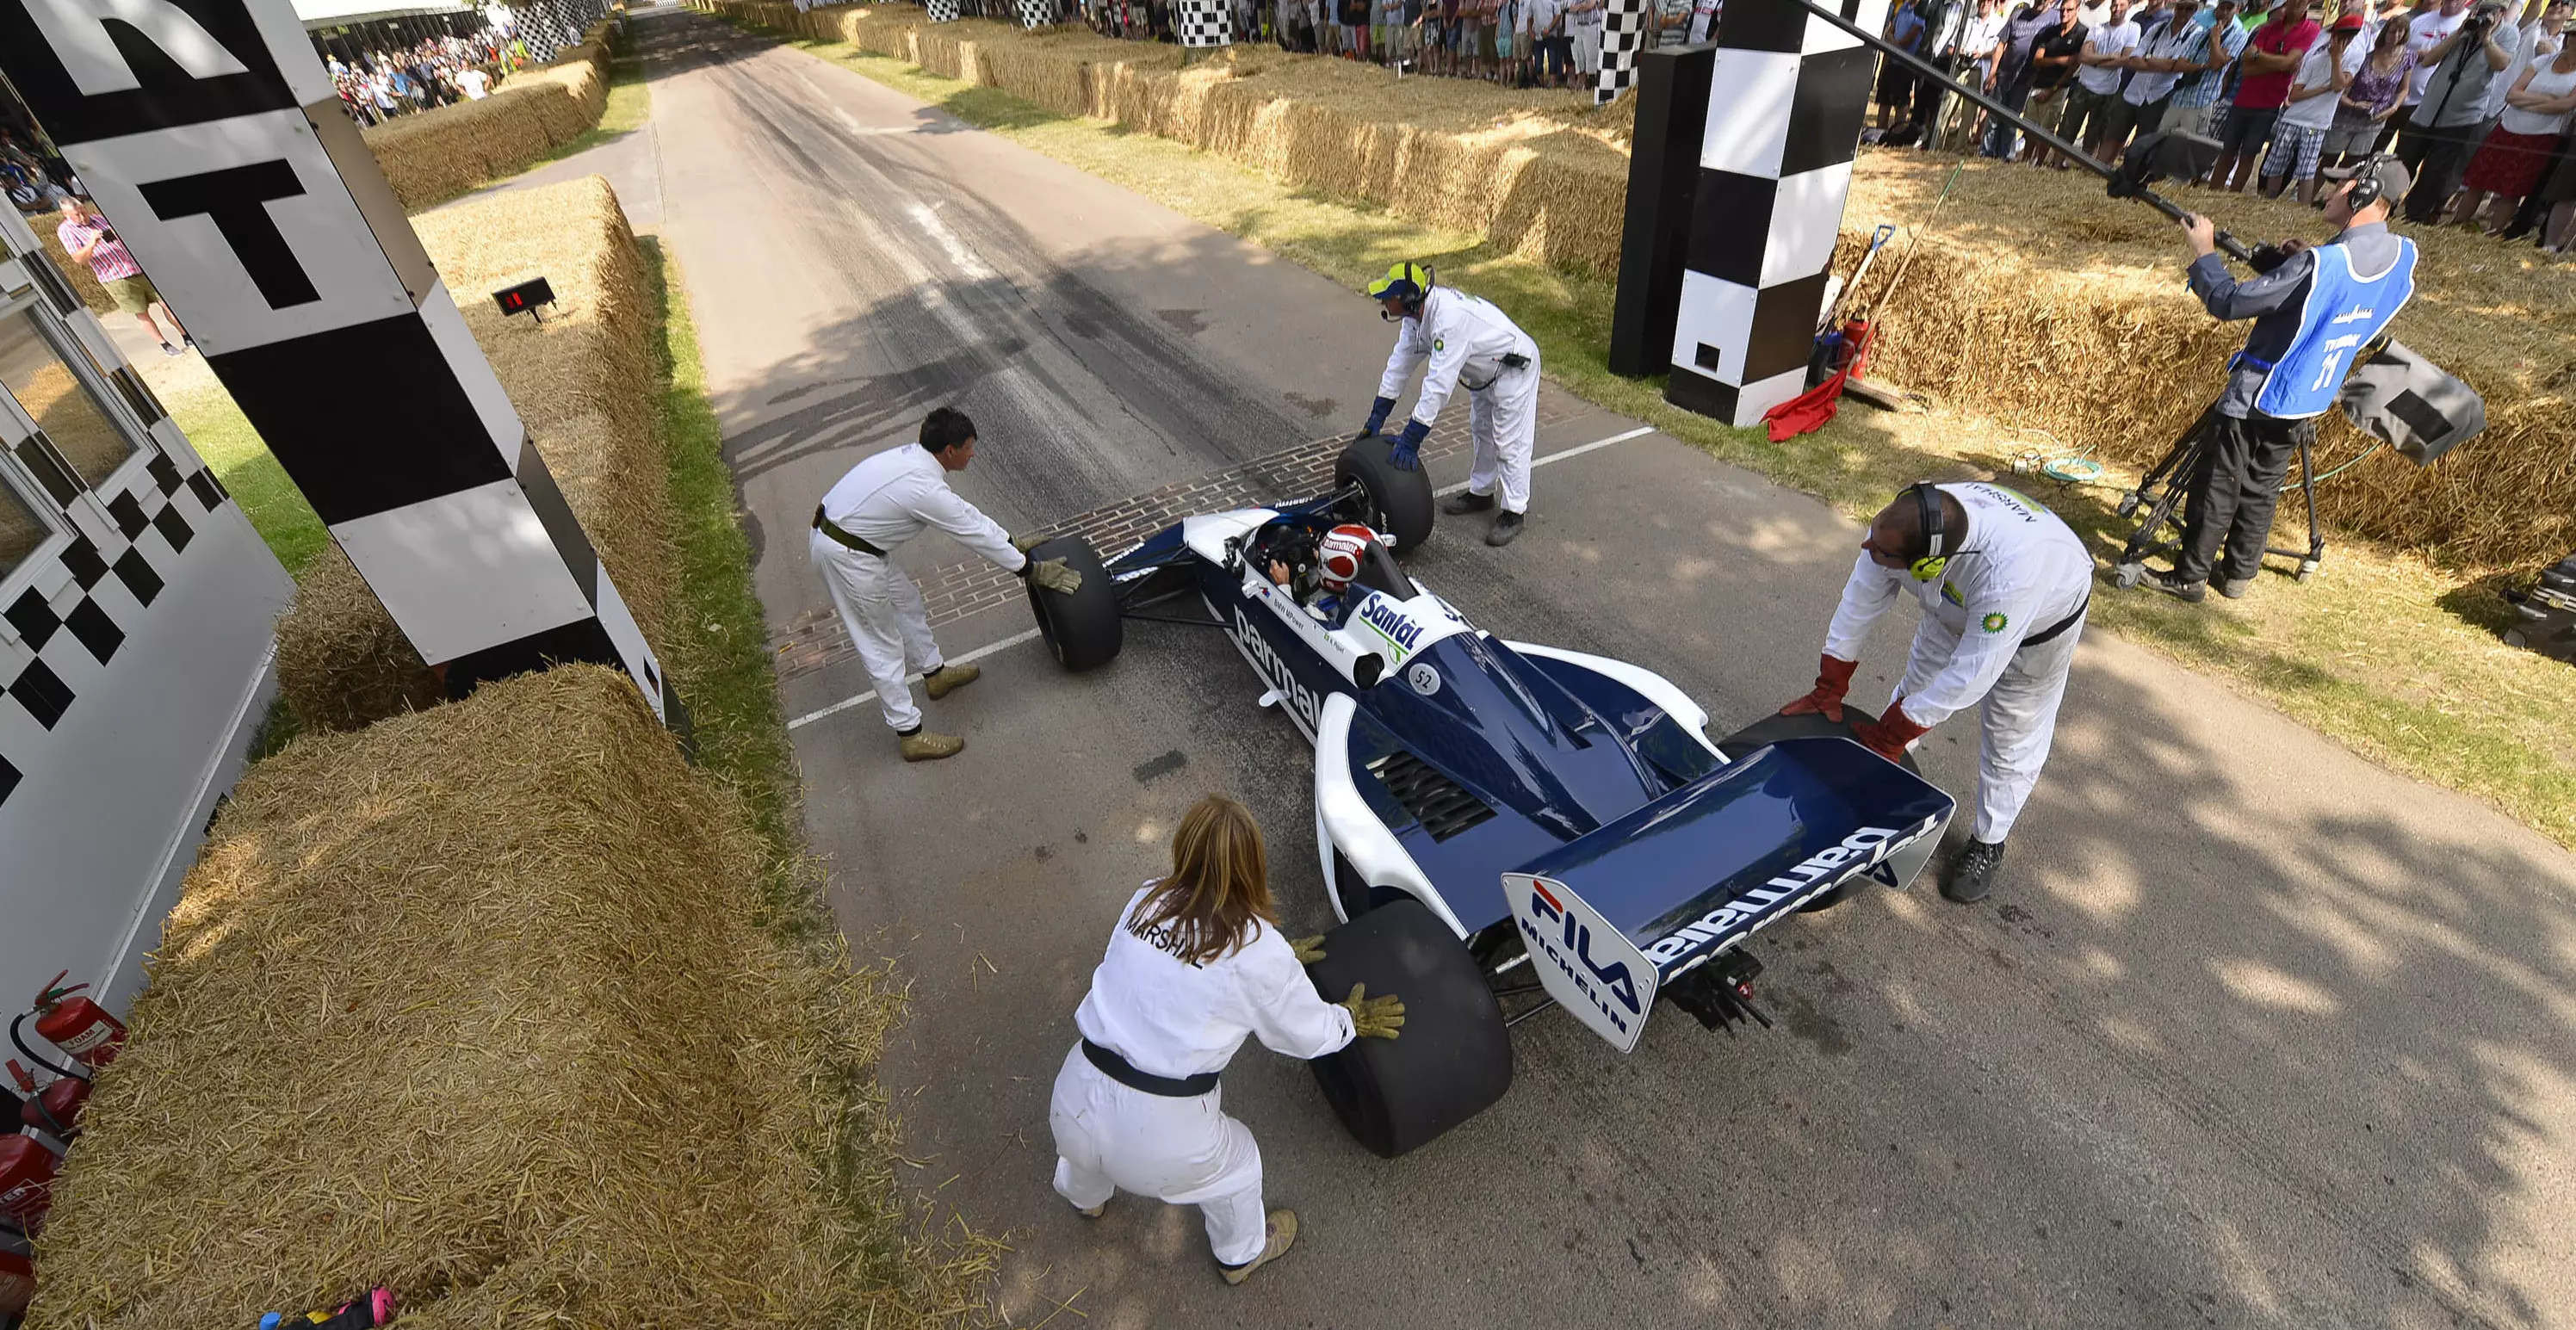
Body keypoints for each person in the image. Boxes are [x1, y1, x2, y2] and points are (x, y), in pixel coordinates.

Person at [1047, 795, 1403, 1284]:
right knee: (1238, 1164)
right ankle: (1242, 1254)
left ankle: (1085, 1199)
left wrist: (1275, 961)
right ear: (1254, 864)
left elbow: (1163, 974)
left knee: (1083, 1153)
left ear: (1183, 849)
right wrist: (1348, 1019)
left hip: (1073, 1099)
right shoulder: (1255, 947)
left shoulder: (1147, 897)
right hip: (1158, 1141)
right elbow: (1303, 1035)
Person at [1780, 482, 2092, 904]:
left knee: (2012, 733)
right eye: (1872, 536)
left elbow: (1972, 674)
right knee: (1917, 688)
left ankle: (1989, 841)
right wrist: (1829, 685)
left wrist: (1895, 730)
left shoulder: (2008, 578)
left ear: (1927, 564)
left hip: (2039, 621)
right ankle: (1878, 781)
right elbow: (1860, 600)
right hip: (1956, 601)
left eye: (1882, 551)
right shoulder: (1902, 528)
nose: (1866, 545)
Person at [2149, 158, 2418, 604]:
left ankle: (2189, 576)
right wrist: (2300, 263)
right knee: (2262, 486)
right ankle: (2237, 575)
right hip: (2311, 393)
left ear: (2363, 193)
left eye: (2338, 186)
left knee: (2219, 482)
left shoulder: (2322, 263)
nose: (2328, 193)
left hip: (2261, 387)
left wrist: (2204, 252)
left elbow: (2228, 301)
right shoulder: (2401, 255)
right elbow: (2348, 297)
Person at [808, 406, 1083, 762]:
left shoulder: (919, 463)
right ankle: (910, 734)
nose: (974, 453)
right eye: (969, 447)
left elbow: (966, 513)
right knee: (881, 645)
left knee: (906, 603)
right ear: (950, 451)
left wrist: (1009, 541)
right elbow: (970, 534)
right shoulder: (922, 488)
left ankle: (935, 675)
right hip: (846, 555)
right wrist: (1030, 569)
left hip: (858, 545)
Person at [1356, 263, 1542, 547]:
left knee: (1508, 441)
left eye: (1387, 296)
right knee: (1481, 430)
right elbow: (1399, 365)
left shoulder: (1449, 319)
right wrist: (1377, 416)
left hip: (1513, 369)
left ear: (1406, 299)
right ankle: (1481, 494)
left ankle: (1514, 511)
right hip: (1483, 373)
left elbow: (1438, 386)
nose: (1382, 301)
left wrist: (1412, 438)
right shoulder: (1414, 319)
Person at [2398, 0, 2520, 217]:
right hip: (2429, 109)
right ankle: (2386, 205)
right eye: (2481, 10)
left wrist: (2487, 38)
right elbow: (2429, 61)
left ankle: (2417, 215)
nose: (2484, 16)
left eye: (2490, 12)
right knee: (2404, 159)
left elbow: (2501, 64)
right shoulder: (2465, 28)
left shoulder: (2509, 33)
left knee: (2436, 171)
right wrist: (2459, 33)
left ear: (2501, 13)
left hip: (2463, 115)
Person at [2452, 26, 2576, 228]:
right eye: (2573, 35)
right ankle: (2457, 223)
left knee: (2512, 191)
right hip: (2508, 128)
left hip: (2542, 136)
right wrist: (2547, 99)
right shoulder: (2543, 62)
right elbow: (2511, 94)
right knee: (2478, 181)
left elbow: (2565, 106)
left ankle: (2493, 234)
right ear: (2568, 38)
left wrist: (2529, 100)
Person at [54, 197, 189, 356]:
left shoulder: (99, 219)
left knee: (166, 303)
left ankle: (186, 336)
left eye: (83, 211)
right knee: (141, 312)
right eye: (77, 215)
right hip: (116, 278)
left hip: (137, 267)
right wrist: (92, 243)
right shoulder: (66, 231)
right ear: (65, 214)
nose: (83, 217)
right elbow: (79, 260)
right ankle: (165, 345)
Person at [2209, 0, 2320, 190]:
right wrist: (2278, 64)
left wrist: (2259, 57)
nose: (2296, 5)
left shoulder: (2311, 30)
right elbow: (2247, 67)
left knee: (2248, 154)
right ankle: (2214, 192)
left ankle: (2231, 197)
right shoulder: (2270, 27)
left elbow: (2288, 64)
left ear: (2308, 4)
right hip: (2243, 97)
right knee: (2226, 152)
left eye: (2301, 2)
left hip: (2269, 104)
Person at [2258, 15, 2358, 202]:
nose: (2344, 42)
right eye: (2341, 36)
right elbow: (2295, 95)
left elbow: (2339, 85)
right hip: (2294, 117)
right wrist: (2324, 88)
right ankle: (2269, 200)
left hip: (2318, 122)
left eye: (2349, 37)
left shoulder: (2352, 58)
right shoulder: (2314, 58)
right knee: (2277, 163)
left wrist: (2336, 59)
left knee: (2307, 169)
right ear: (2333, 35)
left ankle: (2302, 208)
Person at [2104, 0, 2210, 152]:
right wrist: (2158, 63)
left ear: (2195, 11)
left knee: (2143, 143)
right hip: (2135, 90)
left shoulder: (2197, 34)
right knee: (2113, 135)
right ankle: (2100, 170)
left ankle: (2128, 174)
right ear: (2175, 8)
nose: (2184, 12)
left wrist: (2148, 59)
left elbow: (2174, 66)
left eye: (2189, 9)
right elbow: (2133, 61)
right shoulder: (2158, 28)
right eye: (2181, 7)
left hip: (2159, 96)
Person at [1985, 0, 2082, 158]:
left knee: (2013, 119)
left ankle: (2005, 156)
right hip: (2005, 74)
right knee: (1994, 117)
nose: (2040, 2)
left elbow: (2055, 47)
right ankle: (1987, 152)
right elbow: (2001, 44)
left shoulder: (2054, 18)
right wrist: (1993, 72)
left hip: (2028, 79)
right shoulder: (2018, 15)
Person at [2325, 17, 2418, 169]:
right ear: (2385, 32)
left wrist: (2393, 109)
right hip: (2348, 115)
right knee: (2329, 159)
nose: (2396, 36)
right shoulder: (2368, 55)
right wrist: (2353, 104)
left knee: (2354, 164)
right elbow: (2342, 89)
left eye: (2401, 32)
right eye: (2392, 31)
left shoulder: (2409, 57)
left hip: (2376, 118)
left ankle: (2340, 192)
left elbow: (2404, 89)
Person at [2057, 0, 2139, 160]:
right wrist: (2109, 57)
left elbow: (2126, 60)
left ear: (2128, 7)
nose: (2117, 9)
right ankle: (2057, 162)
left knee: (2094, 133)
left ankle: (2085, 165)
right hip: (2084, 84)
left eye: (2122, 5)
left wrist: (2094, 60)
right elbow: (2082, 56)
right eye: (2115, 5)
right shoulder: (2098, 28)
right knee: (2067, 128)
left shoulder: (2133, 29)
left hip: (2108, 90)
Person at [2165, 0, 2249, 140]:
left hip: (2202, 100)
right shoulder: (2202, 32)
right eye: (2223, 7)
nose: (2225, 12)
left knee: (2186, 150)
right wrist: (2204, 66)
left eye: (2230, 8)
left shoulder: (2239, 35)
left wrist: (2215, 40)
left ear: (2237, 9)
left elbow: (2217, 65)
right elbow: (2179, 65)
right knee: (2160, 141)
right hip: (2180, 97)